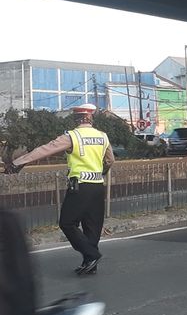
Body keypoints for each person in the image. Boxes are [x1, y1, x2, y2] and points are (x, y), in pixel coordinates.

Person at [6, 104, 114, 275]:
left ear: (77, 119)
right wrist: (100, 173)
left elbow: (45, 150)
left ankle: (92, 254)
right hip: (97, 186)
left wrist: (18, 163)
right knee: (92, 226)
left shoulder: (73, 136)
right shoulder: (103, 136)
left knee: (67, 222)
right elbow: (109, 161)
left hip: (80, 185)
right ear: (90, 118)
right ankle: (90, 263)